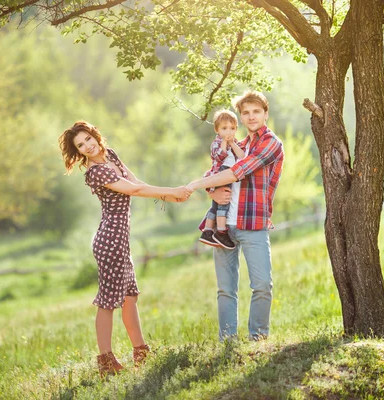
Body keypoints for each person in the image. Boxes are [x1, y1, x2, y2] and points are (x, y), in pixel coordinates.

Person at [59, 120, 191, 377]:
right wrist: (171, 191)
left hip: (120, 240)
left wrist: (169, 196)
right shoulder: (95, 172)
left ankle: (141, 352)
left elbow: (136, 181)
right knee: (108, 301)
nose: (88, 146)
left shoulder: (110, 155)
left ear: (95, 134)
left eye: (88, 139)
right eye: (80, 145)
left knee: (130, 297)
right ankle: (105, 361)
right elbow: (135, 190)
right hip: (109, 242)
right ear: (77, 151)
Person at [186, 90, 284, 341]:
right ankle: (227, 341)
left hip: (253, 224)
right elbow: (215, 171)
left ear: (265, 114)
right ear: (241, 117)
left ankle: (258, 338)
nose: (252, 117)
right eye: (246, 113)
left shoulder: (271, 143)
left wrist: (195, 185)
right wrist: (212, 191)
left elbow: (239, 171)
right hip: (225, 227)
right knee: (225, 289)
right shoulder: (236, 145)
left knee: (262, 286)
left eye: (256, 112)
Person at [199, 110, 245, 249]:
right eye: (224, 128)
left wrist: (232, 142)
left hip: (230, 172)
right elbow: (219, 156)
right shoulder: (217, 143)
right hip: (223, 172)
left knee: (215, 205)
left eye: (232, 128)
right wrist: (225, 141)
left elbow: (242, 157)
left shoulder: (234, 142)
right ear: (217, 130)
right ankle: (221, 231)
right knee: (224, 201)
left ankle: (207, 231)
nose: (228, 131)